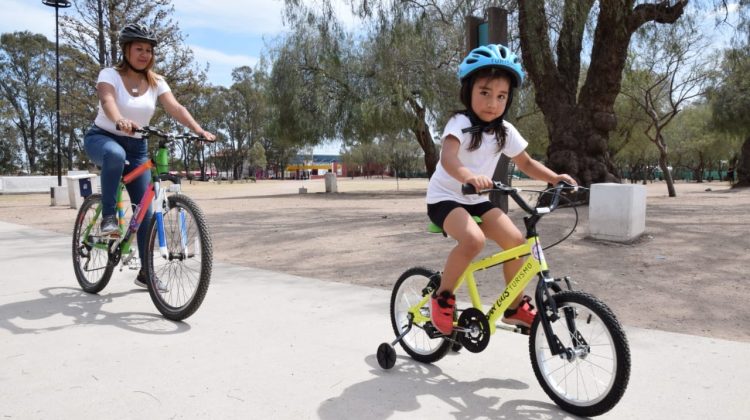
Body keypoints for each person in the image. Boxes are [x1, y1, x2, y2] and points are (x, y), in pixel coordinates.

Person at [426, 44, 577, 335]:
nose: (492, 103)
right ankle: (442, 297)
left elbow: (527, 162)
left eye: (501, 96)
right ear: (468, 91)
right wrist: (468, 175)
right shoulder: (458, 123)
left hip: (476, 199)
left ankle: (514, 306)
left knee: (518, 242)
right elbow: (448, 158)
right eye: (485, 92)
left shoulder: (504, 130)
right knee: (473, 241)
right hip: (445, 198)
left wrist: (555, 177)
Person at [83, 23, 216, 290]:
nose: (144, 54)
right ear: (126, 50)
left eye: (149, 50)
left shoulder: (157, 82)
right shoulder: (109, 74)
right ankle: (109, 216)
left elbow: (176, 107)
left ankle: (146, 272)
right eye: (139, 49)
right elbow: (107, 101)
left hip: (137, 147)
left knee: (144, 212)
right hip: (103, 138)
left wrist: (199, 130)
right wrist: (119, 120)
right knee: (115, 154)